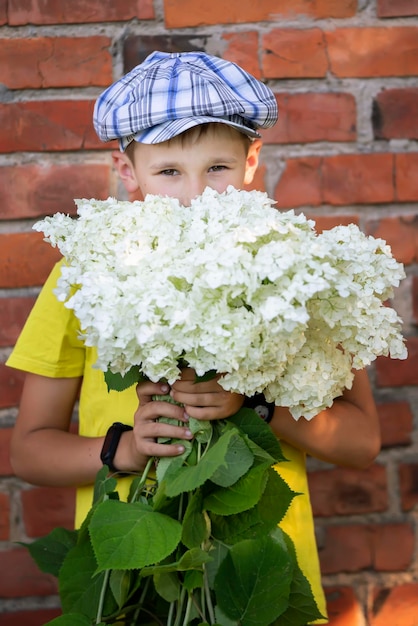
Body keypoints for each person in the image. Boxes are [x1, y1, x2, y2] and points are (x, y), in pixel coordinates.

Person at [7, 51, 380, 624]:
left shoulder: (296, 270)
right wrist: (124, 450)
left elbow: (360, 443)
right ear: (128, 170)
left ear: (252, 160)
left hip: (259, 582)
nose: (197, 193)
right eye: (169, 172)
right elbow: (30, 449)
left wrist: (256, 403)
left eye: (218, 168)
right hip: (129, 590)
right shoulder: (86, 274)